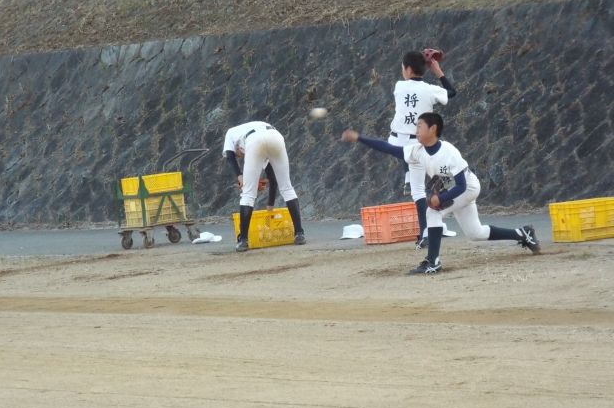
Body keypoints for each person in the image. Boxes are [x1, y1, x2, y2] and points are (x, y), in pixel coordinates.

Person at [341, 112, 540, 274]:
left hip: (468, 187)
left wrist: (440, 199)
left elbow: (461, 185)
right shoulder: (418, 150)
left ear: (433, 128)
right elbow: (388, 148)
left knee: (433, 212)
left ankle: (433, 261)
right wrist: (359, 138)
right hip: (454, 190)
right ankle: (522, 233)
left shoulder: (449, 152)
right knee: (475, 233)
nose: (416, 130)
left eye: (420, 126)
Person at [389, 51, 456, 250]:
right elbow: (451, 92)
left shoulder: (399, 86)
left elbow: (411, 79)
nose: (402, 71)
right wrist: (437, 71)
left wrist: (421, 61)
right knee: (421, 187)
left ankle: (407, 176)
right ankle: (426, 233)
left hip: (396, 141)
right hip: (418, 144)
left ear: (409, 70)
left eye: (403, 68)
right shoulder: (429, 90)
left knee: (414, 181)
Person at [223, 121, 305, 252]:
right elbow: (273, 180)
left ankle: (243, 240)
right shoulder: (249, 132)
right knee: (287, 188)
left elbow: (230, 157)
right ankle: (299, 234)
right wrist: (269, 209)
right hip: (275, 136)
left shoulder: (230, 133)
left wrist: (240, 177)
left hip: (254, 140)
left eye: (240, 153)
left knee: (248, 194)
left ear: (237, 147)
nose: (242, 155)